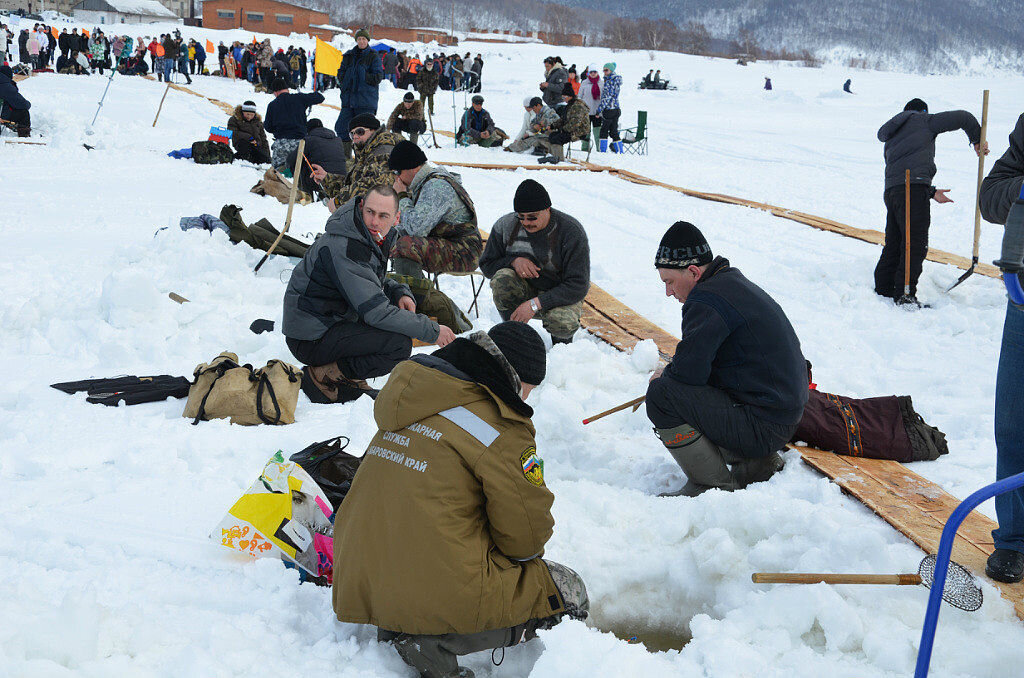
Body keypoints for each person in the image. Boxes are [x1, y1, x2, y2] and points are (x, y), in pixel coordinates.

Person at [332, 320, 589, 678]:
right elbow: (525, 540)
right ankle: (437, 640)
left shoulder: (413, 397)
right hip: (432, 587)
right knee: (565, 589)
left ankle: (398, 621)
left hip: (358, 577)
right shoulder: (500, 427)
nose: (526, 398)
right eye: (529, 388)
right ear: (516, 377)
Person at [646, 222, 808, 496]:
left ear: (694, 272)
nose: (668, 292)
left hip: (765, 425)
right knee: (685, 387)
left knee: (662, 396)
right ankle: (757, 463)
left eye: (669, 282)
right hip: (781, 416)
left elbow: (689, 374)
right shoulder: (730, 282)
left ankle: (711, 485)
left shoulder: (706, 301)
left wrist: (666, 374)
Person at [283, 186, 455, 404]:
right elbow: (376, 313)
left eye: (383, 216)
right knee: (398, 345)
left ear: (396, 218)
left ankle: (345, 374)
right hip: (310, 337)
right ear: (361, 207)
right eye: (370, 212)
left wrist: (398, 291)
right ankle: (324, 375)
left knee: (393, 319)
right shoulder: (346, 245)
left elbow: (370, 280)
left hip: (327, 323)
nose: (375, 221)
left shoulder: (364, 235)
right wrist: (432, 331)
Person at [874, 98, 985, 305]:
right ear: (922, 111)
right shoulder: (923, 120)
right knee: (914, 244)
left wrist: (930, 191)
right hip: (910, 189)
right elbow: (963, 117)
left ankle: (883, 288)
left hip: (894, 192)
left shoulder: (893, 134)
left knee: (896, 242)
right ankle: (905, 295)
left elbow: (902, 172)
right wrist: (977, 138)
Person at [978, 114, 1024, 583]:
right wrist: (1021, 189)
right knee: (1014, 425)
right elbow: (991, 198)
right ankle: (1013, 539)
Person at [479, 180, 590, 344]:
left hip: (558, 293)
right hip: (524, 288)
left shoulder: (571, 231)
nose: (526, 222)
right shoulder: (505, 226)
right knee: (502, 278)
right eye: (521, 217)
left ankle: (562, 352)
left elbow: (578, 284)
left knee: (561, 321)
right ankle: (513, 334)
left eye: (532, 217)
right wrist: (513, 262)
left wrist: (535, 304)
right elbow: (487, 265)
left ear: (547, 209)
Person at [388, 140, 483, 278]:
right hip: (450, 244)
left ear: (413, 167)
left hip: (465, 252)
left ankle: (416, 296)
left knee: (406, 246)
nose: (396, 177)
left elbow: (416, 229)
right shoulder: (425, 183)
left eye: (397, 171)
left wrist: (402, 196)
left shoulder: (435, 186)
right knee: (391, 237)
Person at [314, 113, 398, 208]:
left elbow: (372, 189)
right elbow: (354, 183)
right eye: (352, 134)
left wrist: (338, 201)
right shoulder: (366, 153)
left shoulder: (383, 152)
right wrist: (327, 178)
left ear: (373, 130)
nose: (355, 136)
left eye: (360, 131)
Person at [335, 28, 383, 158]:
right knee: (341, 128)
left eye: (364, 39)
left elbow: (378, 77)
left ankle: (364, 159)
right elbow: (340, 72)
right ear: (356, 40)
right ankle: (346, 160)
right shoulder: (349, 55)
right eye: (359, 39)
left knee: (364, 132)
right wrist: (344, 80)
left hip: (365, 101)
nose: (361, 41)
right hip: (349, 101)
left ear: (367, 40)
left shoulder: (373, 56)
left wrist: (363, 76)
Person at [263, 78, 325, 170]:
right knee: (300, 172)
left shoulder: (272, 105)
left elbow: (268, 127)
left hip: (281, 144)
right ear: (287, 89)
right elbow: (320, 97)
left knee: (278, 174)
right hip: (299, 144)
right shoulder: (299, 98)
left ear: (275, 92)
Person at [288, 118, 345, 198]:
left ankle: (306, 195)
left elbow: (291, 159)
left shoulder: (309, 140)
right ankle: (323, 195)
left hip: (319, 180)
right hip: (341, 179)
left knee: (301, 163)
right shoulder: (338, 140)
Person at [540, 83, 591, 163]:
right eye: (562, 97)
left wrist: (562, 130)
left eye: (564, 97)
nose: (563, 99)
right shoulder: (569, 105)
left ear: (570, 96)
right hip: (570, 129)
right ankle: (553, 156)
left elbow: (575, 124)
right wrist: (553, 126)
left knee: (558, 138)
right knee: (552, 136)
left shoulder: (578, 106)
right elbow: (563, 119)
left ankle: (559, 159)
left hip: (579, 132)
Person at [227, 100, 271, 164]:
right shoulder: (234, 120)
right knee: (245, 149)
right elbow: (232, 132)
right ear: (243, 112)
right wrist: (249, 137)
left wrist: (267, 155)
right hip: (242, 144)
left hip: (256, 146)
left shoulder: (258, 122)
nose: (249, 117)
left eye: (252, 115)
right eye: (247, 114)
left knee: (265, 160)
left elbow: (263, 139)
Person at [596, 63, 622, 153]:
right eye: (603, 70)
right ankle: (620, 151)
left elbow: (607, 97)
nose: (604, 72)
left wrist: (599, 110)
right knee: (614, 131)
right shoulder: (616, 80)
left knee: (603, 131)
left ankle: (603, 151)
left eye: (606, 70)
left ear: (611, 71)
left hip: (609, 110)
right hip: (616, 108)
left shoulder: (610, 81)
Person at [0, 65, 31, 137]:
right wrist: (28, 104)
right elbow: (21, 104)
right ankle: (24, 134)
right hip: (2, 114)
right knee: (24, 112)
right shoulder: (6, 86)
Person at [579, 64, 602, 153]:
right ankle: (584, 149)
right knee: (585, 132)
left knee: (597, 133)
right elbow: (580, 96)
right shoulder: (584, 82)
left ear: (597, 72)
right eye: (591, 72)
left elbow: (603, 98)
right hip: (586, 112)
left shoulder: (601, 83)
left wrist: (600, 111)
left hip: (597, 113)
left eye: (594, 72)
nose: (593, 74)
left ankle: (599, 150)